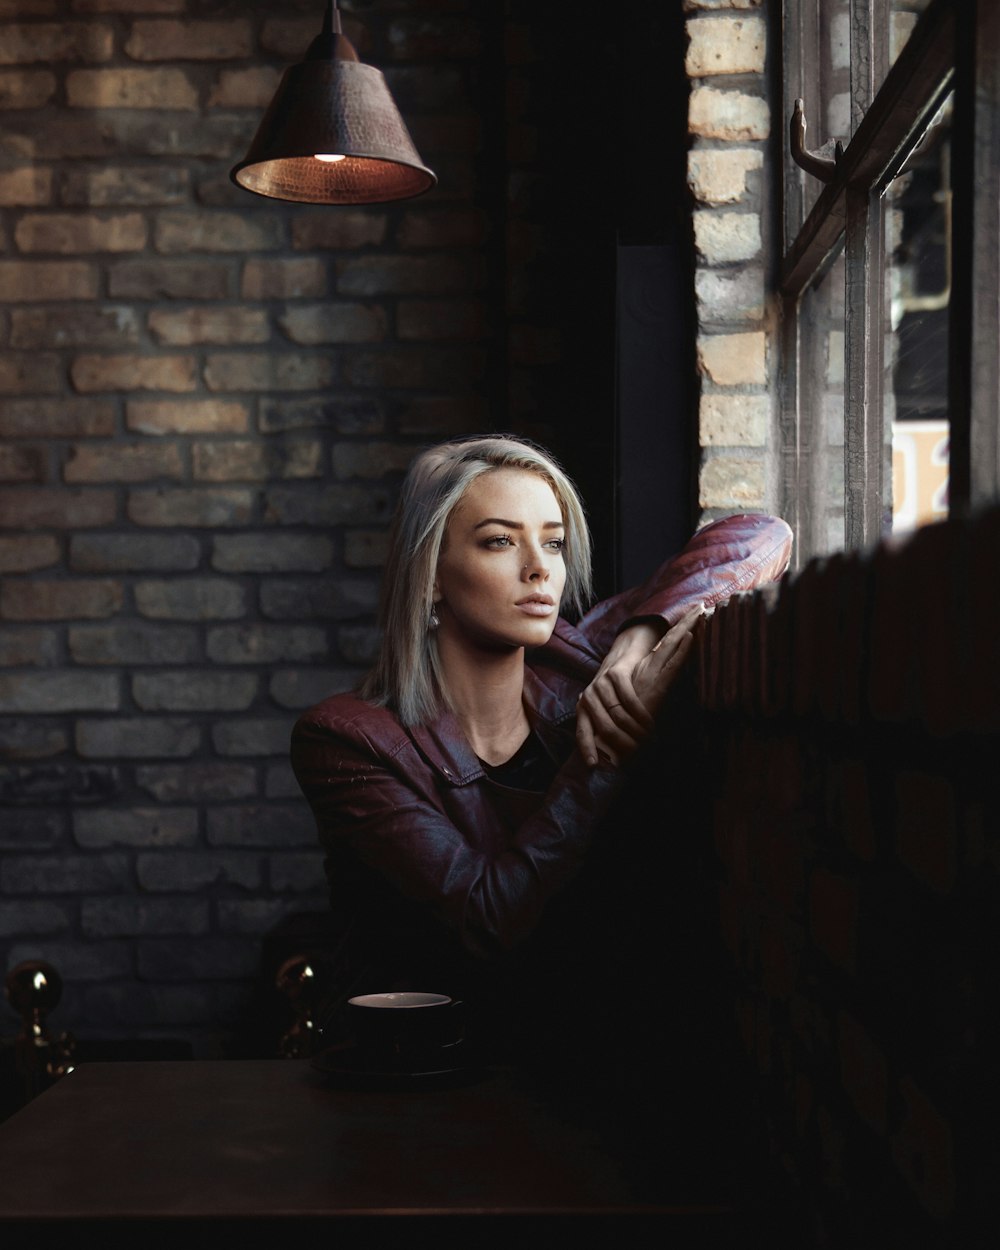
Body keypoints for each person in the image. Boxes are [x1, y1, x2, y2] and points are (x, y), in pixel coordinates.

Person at [291, 435, 792, 1066]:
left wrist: (637, 642)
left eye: (553, 542)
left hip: (594, 1064)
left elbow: (761, 534)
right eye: (500, 540)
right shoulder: (347, 739)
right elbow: (486, 920)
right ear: (431, 577)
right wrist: (604, 758)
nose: (540, 569)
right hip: (422, 1072)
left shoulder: (581, 658)